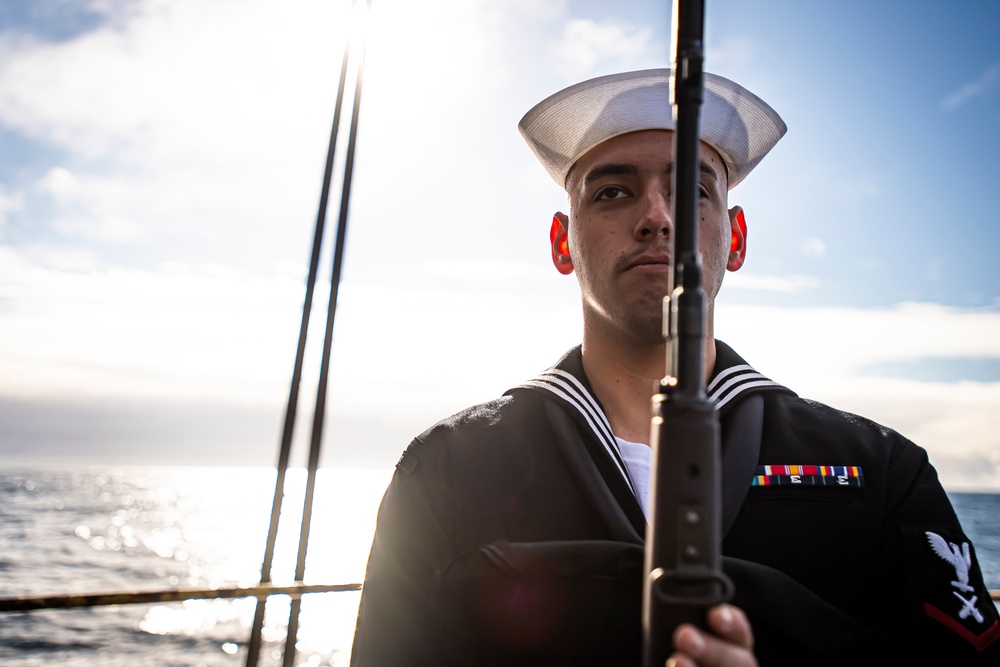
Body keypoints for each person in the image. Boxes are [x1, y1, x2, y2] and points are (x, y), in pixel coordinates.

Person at [349, 69, 999, 666]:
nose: (656, 217)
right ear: (561, 242)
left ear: (736, 238)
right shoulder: (449, 471)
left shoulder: (881, 475)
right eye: (612, 191)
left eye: (689, 190)